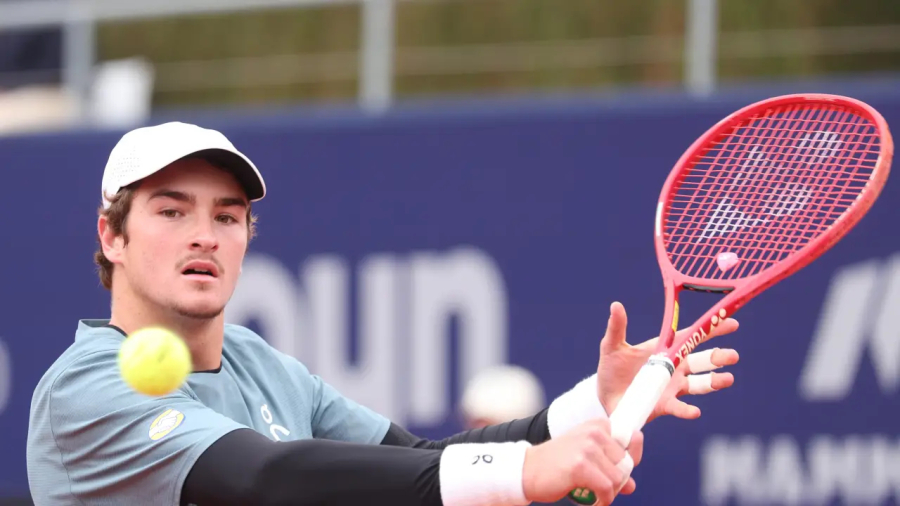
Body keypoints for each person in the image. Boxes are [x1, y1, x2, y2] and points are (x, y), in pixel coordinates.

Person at [26, 122, 741, 506]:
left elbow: (418, 463)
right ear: (111, 236)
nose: (204, 234)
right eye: (171, 211)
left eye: (228, 215)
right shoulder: (85, 389)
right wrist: (525, 470)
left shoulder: (261, 363)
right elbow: (262, 480)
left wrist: (588, 409)